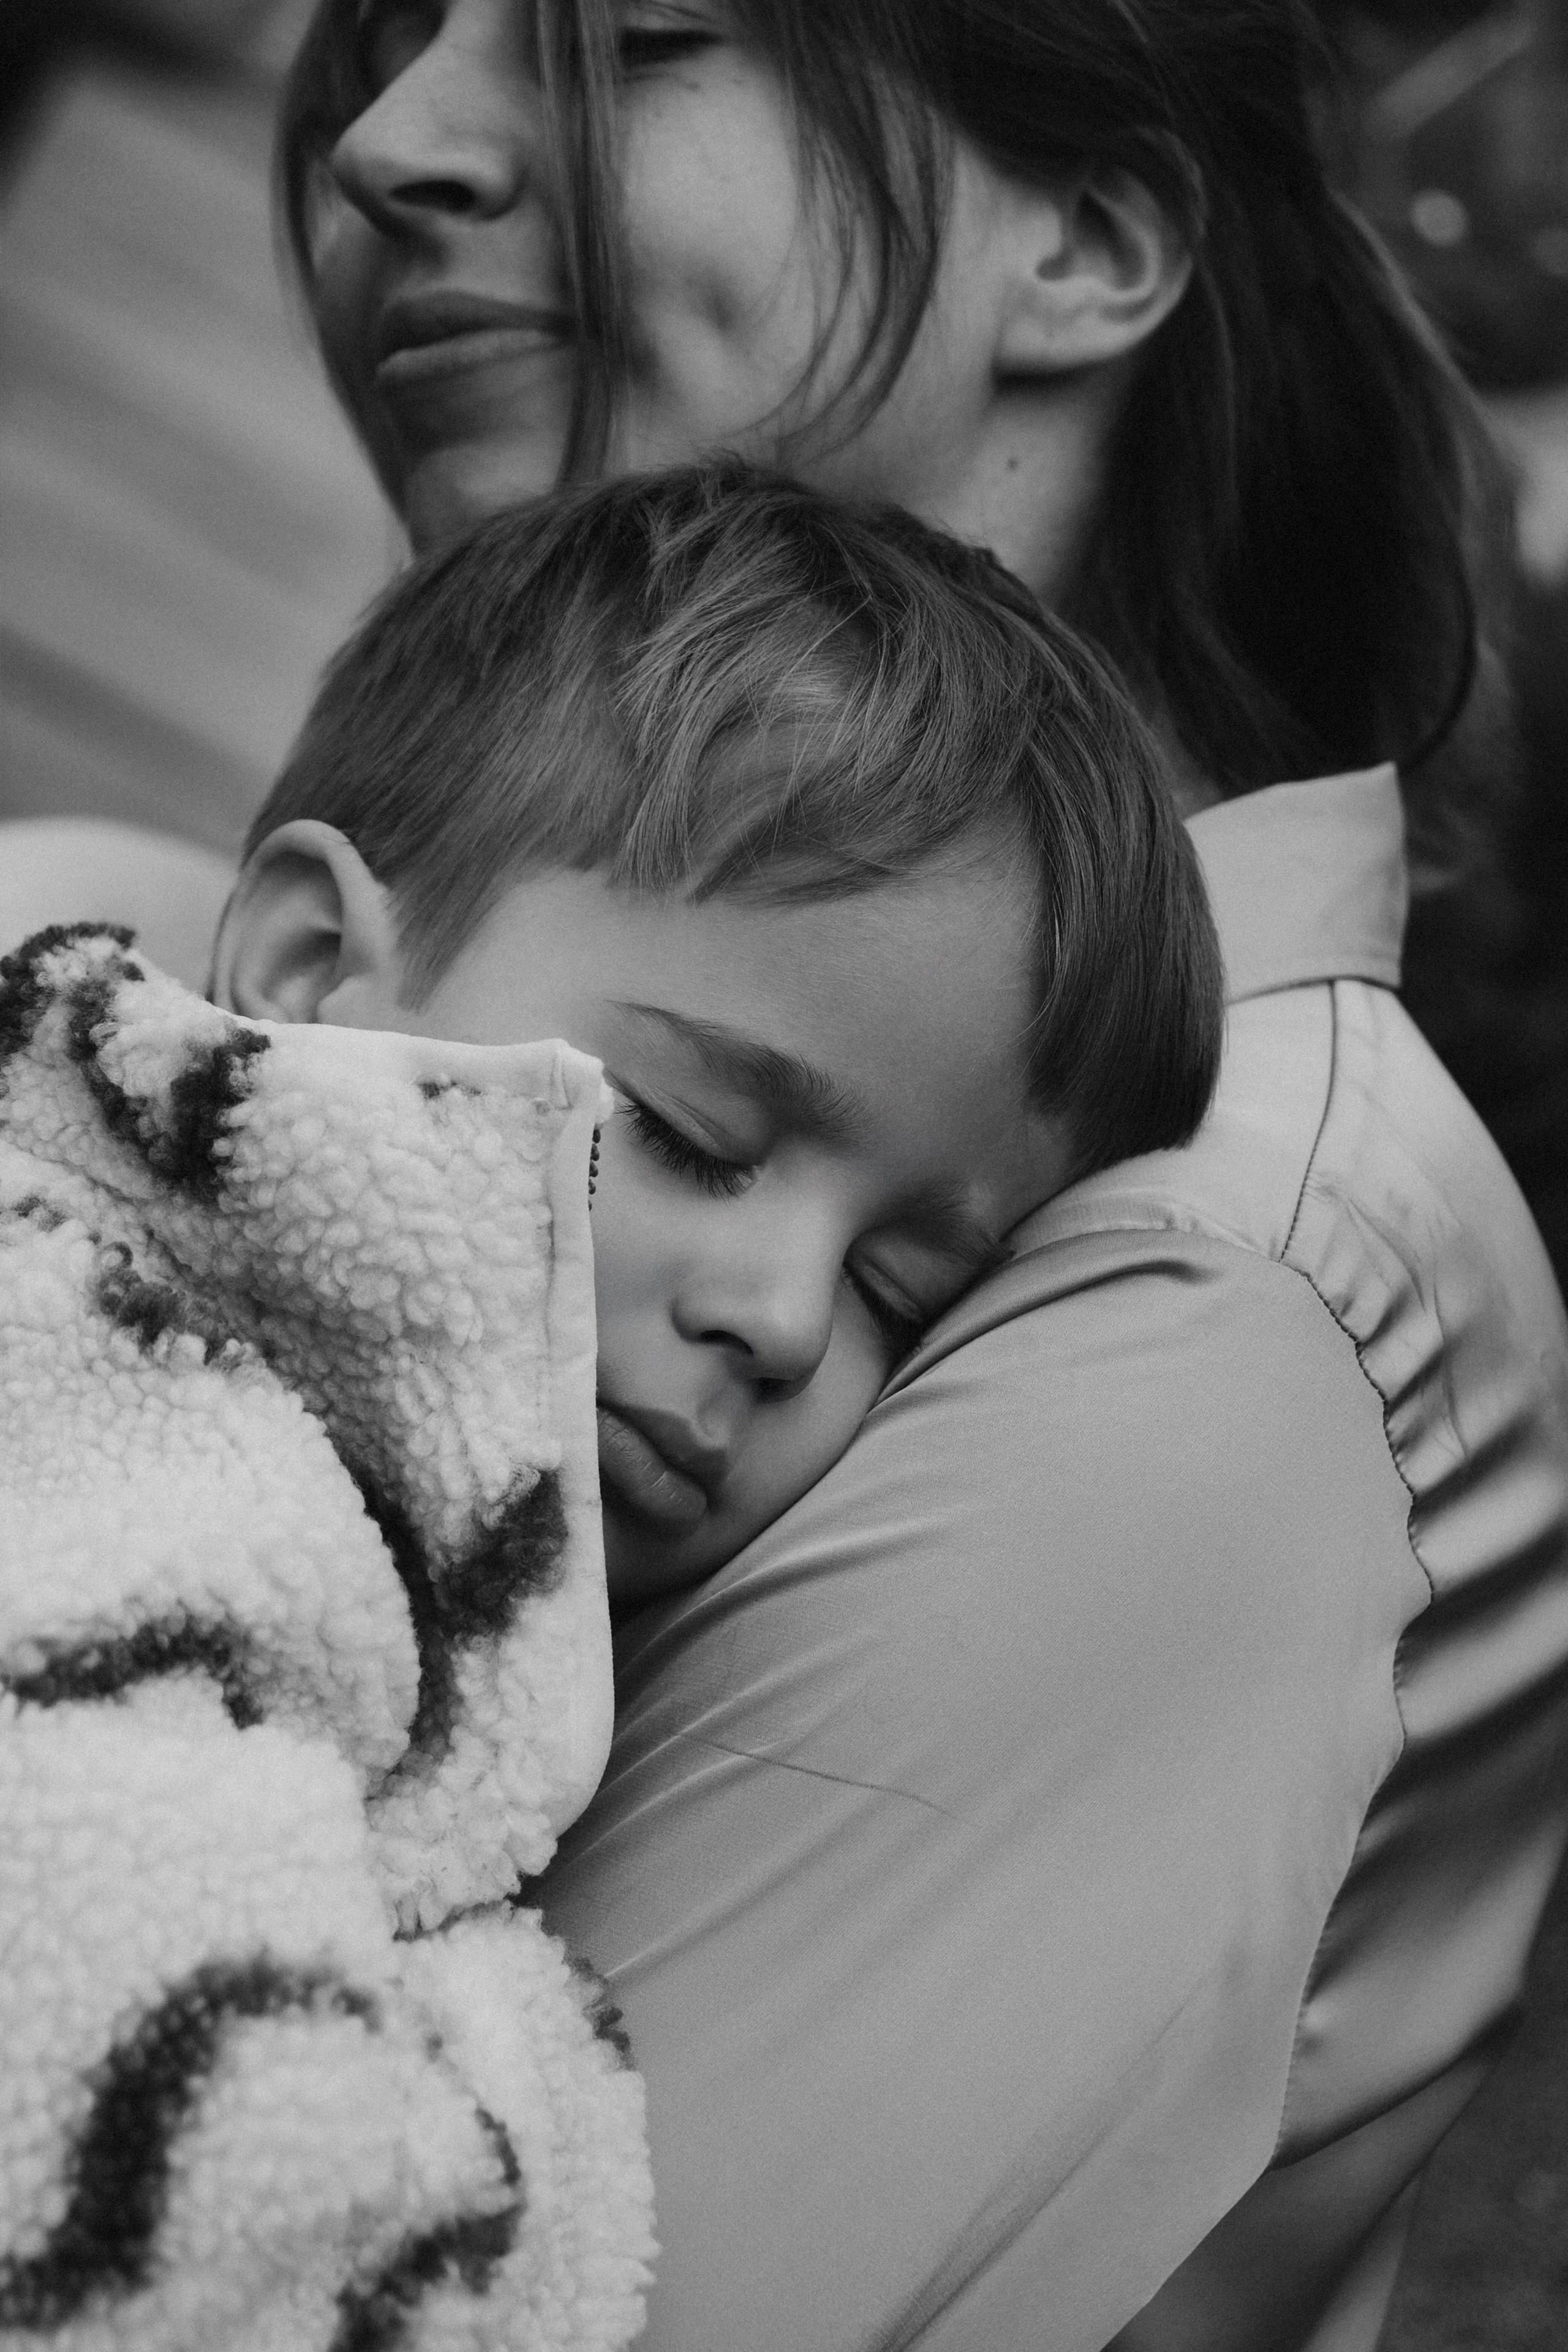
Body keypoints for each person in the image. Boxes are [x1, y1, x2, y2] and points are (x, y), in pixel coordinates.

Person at [7, 2, 1567, 2345]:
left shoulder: (1220, 1311)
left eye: (627, 40)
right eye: (389, 43)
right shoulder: (167, 967)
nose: (396, 146)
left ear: (1094, 233)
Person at [0, 466, 1220, 2349]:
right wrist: (534, 2068)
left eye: (906, 1291)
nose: (786, 1317)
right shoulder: (125, 1423)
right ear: (316, 968)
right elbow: (199, 2234)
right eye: (695, 1136)